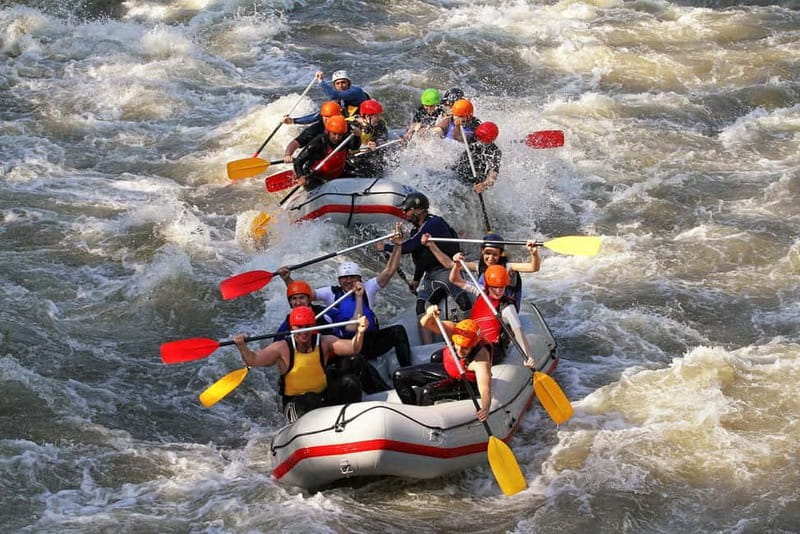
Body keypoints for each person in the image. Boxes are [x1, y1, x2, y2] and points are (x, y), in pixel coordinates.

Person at [279, 227, 411, 370]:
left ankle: (407, 369)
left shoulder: (368, 287)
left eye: (352, 277)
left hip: (370, 339)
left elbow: (390, 270)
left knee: (398, 331)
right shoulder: (331, 293)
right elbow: (301, 294)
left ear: (359, 278)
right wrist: (287, 278)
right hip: (347, 343)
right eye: (344, 278)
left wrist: (398, 245)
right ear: (339, 280)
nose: (348, 281)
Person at [233, 307, 368, 422]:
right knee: (310, 400)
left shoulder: (325, 342)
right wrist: (242, 346)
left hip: (322, 397)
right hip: (295, 403)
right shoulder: (281, 348)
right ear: (292, 328)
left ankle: (351, 421)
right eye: (299, 327)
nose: (304, 332)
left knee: (350, 382)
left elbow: (353, 348)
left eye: (307, 327)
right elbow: (253, 360)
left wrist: (360, 332)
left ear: (313, 327)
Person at [377, 192, 470, 344]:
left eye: (407, 210)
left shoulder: (434, 223)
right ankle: (428, 348)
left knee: (463, 302)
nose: (404, 213)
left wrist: (386, 247)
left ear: (419, 210)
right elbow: (420, 259)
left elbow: (410, 246)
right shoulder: (416, 231)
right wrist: (416, 279)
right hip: (430, 275)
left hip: (447, 270)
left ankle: (468, 338)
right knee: (421, 307)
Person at [392, 307, 492, 421]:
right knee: (399, 376)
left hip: (466, 382)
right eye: (457, 345)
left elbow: (485, 388)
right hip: (451, 369)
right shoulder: (455, 330)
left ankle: (424, 421)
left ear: (473, 345)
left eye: (465, 348)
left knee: (427, 392)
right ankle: (412, 412)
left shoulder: (481, 359)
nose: (459, 350)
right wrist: (429, 314)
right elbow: (425, 323)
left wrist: (485, 408)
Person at [448, 262, 516, 363]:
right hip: (473, 341)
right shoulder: (480, 291)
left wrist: (529, 358)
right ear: (487, 286)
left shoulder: (507, 307)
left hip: (492, 348)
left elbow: (519, 334)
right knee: (438, 357)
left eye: (501, 287)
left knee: (470, 356)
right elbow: (454, 279)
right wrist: (457, 265)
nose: (498, 291)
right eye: (494, 287)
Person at [456, 233, 540, 310]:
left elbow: (533, 268)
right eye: (488, 253)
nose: (491, 258)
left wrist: (534, 253)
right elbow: (451, 265)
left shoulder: (507, 267)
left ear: (500, 254)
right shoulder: (479, 266)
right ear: (482, 251)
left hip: (505, 309)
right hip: (487, 307)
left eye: (495, 255)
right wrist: (456, 259)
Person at [292, 114, 361, 190]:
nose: (337, 138)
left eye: (340, 135)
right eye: (334, 134)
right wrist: (301, 176)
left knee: (358, 174)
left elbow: (355, 146)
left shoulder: (345, 139)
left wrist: (357, 137)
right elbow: (298, 161)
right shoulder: (318, 142)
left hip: (337, 174)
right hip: (316, 177)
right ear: (329, 131)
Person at [452, 121, 502, 193]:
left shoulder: (494, 152)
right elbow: (457, 137)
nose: (479, 139)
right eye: (478, 137)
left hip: (475, 181)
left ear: (490, 140)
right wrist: (457, 126)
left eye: (482, 138)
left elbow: (492, 176)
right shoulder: (474, 137)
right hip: (458, 170)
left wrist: (483, 185)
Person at [349, 99, 390, 177]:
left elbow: (383, 139)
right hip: (353, 156)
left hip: (368, 154)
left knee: (381, 157)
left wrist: (376, 143)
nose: (379, 118)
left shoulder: (379, 124)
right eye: (376, 116)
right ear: (367, 116)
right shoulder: (352, 125)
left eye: (379, 115)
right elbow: (348, 146)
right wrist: (364, 145)